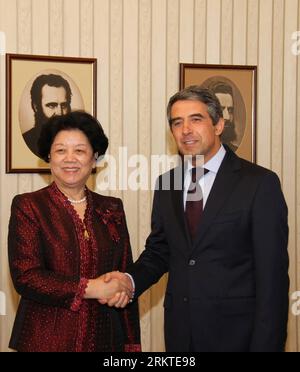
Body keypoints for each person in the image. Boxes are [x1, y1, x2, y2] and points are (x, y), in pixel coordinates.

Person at [104, 86, 289, 352]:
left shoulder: (259, 183)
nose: (186, 129)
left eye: (196, 119)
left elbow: (273, 279)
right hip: (181, 335)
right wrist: (128, 281)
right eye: (177, 122)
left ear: (218, 125)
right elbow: (159, 252)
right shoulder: (167, 183)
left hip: (239, 337)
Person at [8, 111, 141, 352]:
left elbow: (124, 274)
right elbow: (27, 277)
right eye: (60, 150)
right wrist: (93, 288)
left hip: (106, 340)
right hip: (46, 341)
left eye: (80, 150)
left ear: (95, 158)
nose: (70, 159)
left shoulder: (111, 208)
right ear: (49, 156)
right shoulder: (29, 206)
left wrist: (131, 343)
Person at [23, 74, 72, 156]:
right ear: (36, 107)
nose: (60, 112)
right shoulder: (27, 139)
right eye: (52, 105)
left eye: (64, 105)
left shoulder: (79, 140)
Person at [206, 80, 239, 152]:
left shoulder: (234, 153)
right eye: (221, 109)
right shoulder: (196, 152)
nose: (227, 117)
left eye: (230, 110)